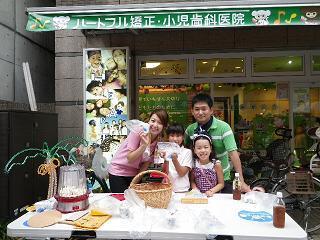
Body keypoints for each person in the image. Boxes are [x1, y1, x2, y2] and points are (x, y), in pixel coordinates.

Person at [185, 93, 250, 193]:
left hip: (223, 179)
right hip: (199, 181)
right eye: (197, 109)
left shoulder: (224, 128)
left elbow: (233, 154)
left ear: (211, 110)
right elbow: (186, 152)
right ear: (192, 111)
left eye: (204, 109)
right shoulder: (190, 130)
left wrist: (241, 180)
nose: (200, 112)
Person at [108, 108, 169, 193]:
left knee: (135, 202)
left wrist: (134, 183)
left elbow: (146, 164)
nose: (155, 125)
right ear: (148, 121)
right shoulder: (139, 131)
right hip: (118, 171)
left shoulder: (158, 142)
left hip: (134, 173)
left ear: (164, 127)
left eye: (159, 123)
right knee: (121, 202)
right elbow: (130, 158)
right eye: (153, 120)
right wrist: (143, 146)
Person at [160, 123, 192, 193]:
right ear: (168, 137)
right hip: (167, 189)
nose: (175, 139)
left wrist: (174, 159)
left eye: (178, 136)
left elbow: (182, 173)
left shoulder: (187, 152)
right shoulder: (163, 151)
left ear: (183, 137)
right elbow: (164, 173)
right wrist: (165, 159)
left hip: (182, 190)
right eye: (172, 136)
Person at [190, 131, 224, 196]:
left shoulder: (216, 164)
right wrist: (195, 189)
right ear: (194, 150)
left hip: (213, 196)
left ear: (210, 149)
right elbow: (192, 181)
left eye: (206, 147)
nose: (203, 150)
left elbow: (221, 184)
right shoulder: (194, 164)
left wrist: (211, 191)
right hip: (198, 196)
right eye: (199, 148)